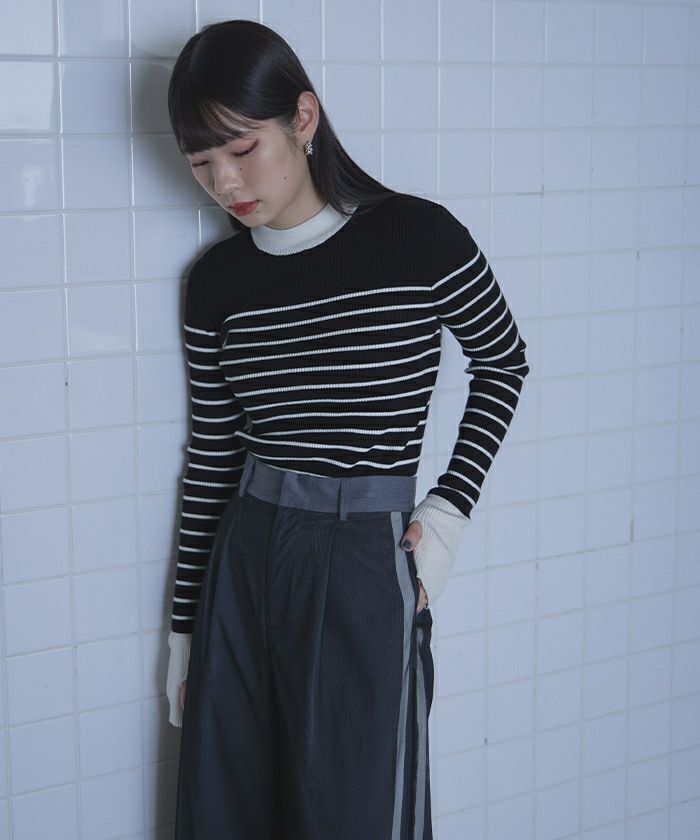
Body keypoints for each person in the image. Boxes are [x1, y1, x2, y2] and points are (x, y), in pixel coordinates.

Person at [165, 18, 529, 840]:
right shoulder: (217, 282)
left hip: (365, 555)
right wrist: (185, 630)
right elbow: (213, 455)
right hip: (244, 560)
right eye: (199, 162)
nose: (224, 182)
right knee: (228, 814)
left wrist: (448, 512)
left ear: (303, 117)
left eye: (240, 147)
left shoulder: (418, 237)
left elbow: (503, 363)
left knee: (356, 812)